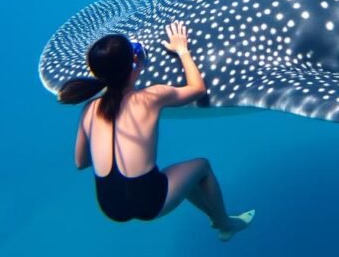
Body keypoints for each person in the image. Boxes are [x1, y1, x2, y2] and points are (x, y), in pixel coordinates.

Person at [58, 21, 254, 239]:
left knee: (176, 175)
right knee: (202, 166)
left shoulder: (89, 109)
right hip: (150, 201)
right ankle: (226, 224)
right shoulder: (150, 97)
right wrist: (182, 50)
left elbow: (81, 163)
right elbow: (197, 89)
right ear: (135, 63)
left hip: (109, 205)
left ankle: (214, 217)